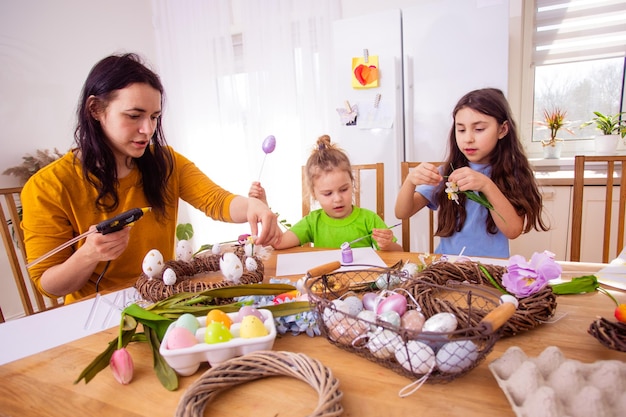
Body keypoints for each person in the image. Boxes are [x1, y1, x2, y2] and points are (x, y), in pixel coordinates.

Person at [21, 53, 282, 304]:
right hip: (94, 314)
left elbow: (216, 201)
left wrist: (252, 206)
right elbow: (50, 286)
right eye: (134, 116)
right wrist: (90, 254)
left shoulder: (166, 162)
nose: (148, 130)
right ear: (95, 109)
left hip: (162, 299)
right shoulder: (47, 187)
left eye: (154, 117)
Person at [394, 88, 548, 258]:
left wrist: (486, 185)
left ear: (502, 130)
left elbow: (513, 230)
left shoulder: (513, 173)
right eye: (461, 130)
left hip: (490, 269)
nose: (468, 138)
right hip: (447, 266)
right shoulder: (447, 172)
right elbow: (402, 213)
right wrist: (410, 181)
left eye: (479, 129)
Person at [251, 135, 403, 251]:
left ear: (353, 184)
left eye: (344, 189)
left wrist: (388, 245)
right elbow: (279, 242)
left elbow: (399, 252)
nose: (337, 199)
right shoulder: (312, 222)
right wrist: (263, 207)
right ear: (314, 193)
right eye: (328, 193)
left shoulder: (369, 219)